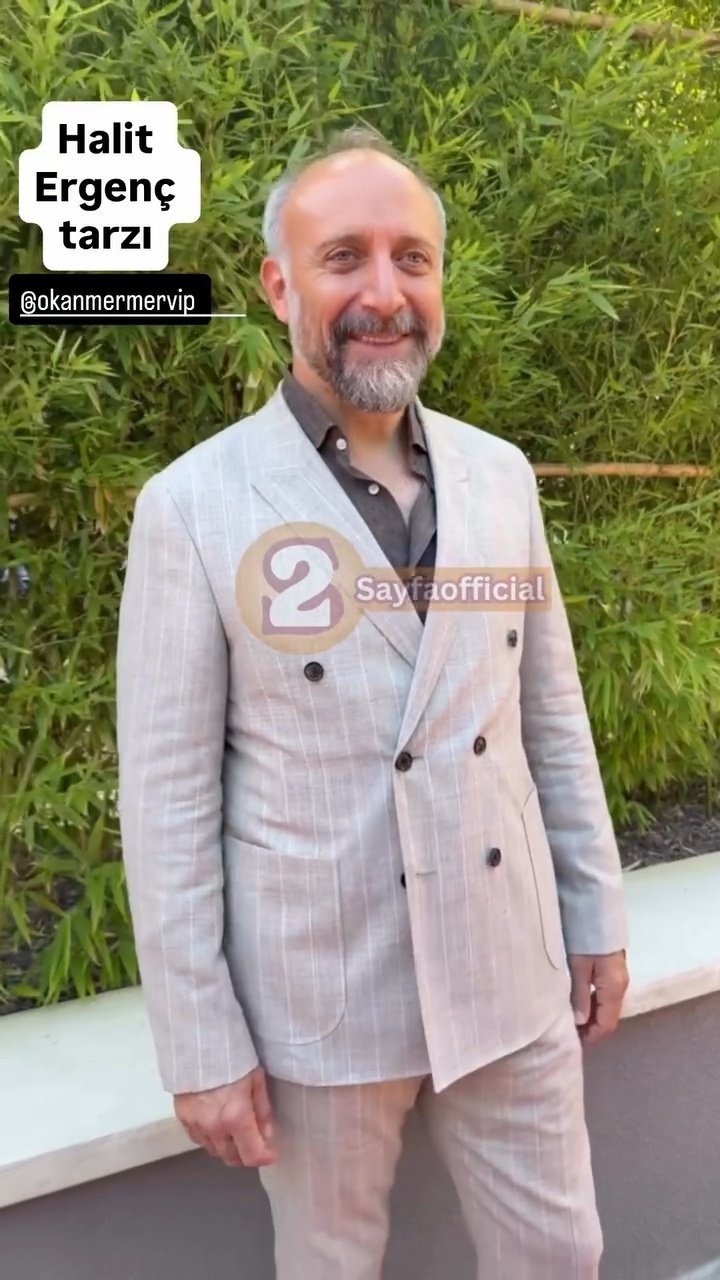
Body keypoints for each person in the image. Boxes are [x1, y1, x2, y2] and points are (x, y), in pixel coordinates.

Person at [116, 124, 629, 1279]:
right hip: (321, 996)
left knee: (562, 1251)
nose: (385, 293)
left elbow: (549, 714)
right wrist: (199, 1040)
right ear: (279, 283)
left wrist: (594, 909)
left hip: (509, 967)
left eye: (414, 259)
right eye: (344, 257)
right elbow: (165, 799)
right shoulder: (193, 506)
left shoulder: (500, 475)